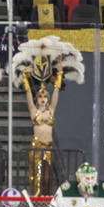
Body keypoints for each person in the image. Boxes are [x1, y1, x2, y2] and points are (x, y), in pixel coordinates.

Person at [21, 61, 62, 196]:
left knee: (47, 176)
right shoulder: (33, 110)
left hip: (49, 146)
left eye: (45, 96)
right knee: (36, 175)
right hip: (37, 146)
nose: (43, 98)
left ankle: (47, 199)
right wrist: (24, 77)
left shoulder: (51, 110)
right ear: (36, 98)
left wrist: (60, 74)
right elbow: (27, 92)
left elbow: (56, 91)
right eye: (40, 96)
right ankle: (36, 199)